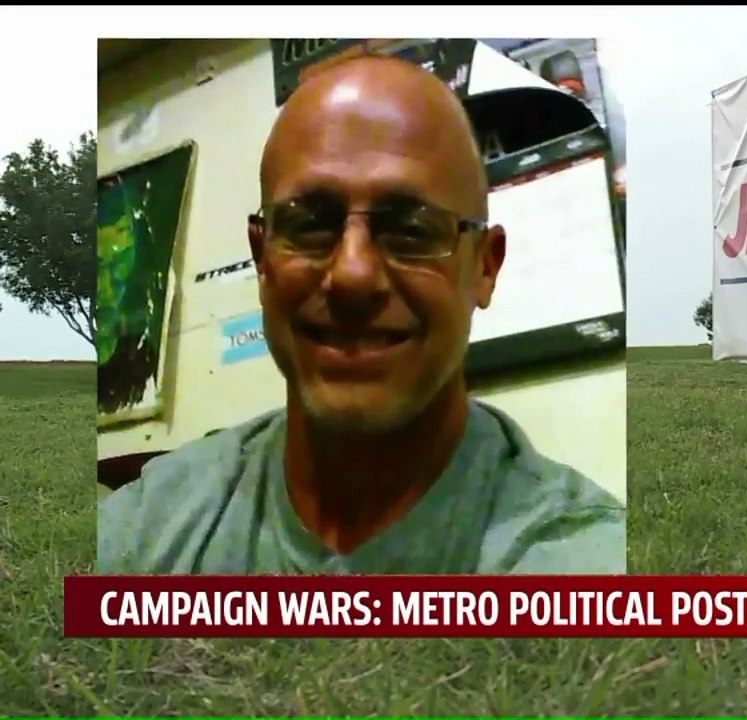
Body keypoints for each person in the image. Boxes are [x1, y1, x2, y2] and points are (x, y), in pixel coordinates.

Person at [97, 53, 626, 575]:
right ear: (262, 261)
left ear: (484, 268)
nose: (352, 275)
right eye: (309, 224)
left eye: (413, 230)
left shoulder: (581, 560)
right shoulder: (151, 525)